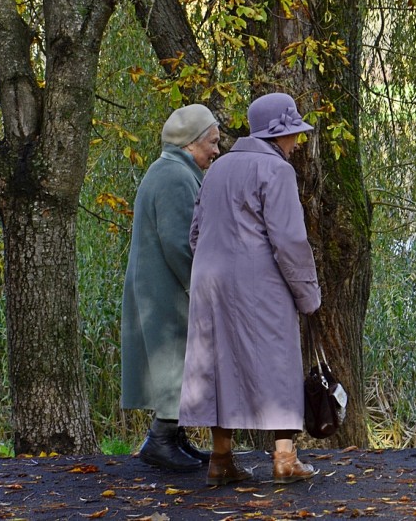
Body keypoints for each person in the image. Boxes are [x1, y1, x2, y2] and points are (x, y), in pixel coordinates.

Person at [178, 92, 321, 485]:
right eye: (293, 134)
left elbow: (195, 234)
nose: (296, 143)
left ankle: (220, 460)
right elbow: (289, 241)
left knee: (217, 365)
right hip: (260, 284)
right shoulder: (277, 171)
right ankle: (285, 458)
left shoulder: (217, 169)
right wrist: (308, 295)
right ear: (279, 134)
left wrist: (216, 265)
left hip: (209, 283)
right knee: (278, 360)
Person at [121, 104, 221, 472]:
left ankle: (172, 437)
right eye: (212, 142)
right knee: (176, 363)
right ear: (191, 143)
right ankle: (161, 440)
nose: (216, 150)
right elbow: (181, 244)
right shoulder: (176, 177)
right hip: (167, 292)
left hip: (160, 288)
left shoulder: (169, 170)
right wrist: (202, 288)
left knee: (179, 364)